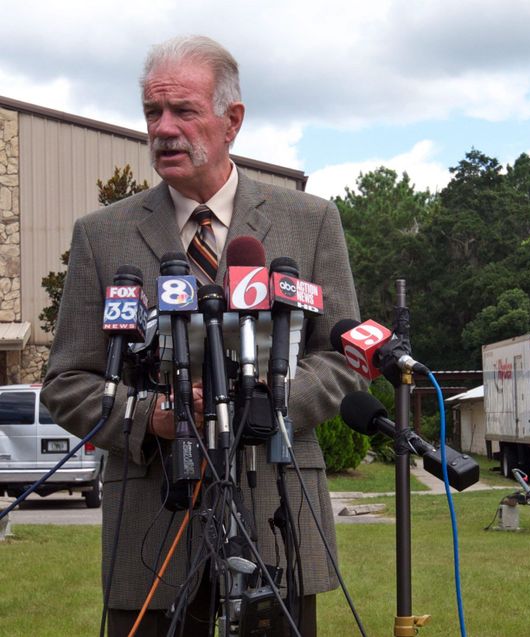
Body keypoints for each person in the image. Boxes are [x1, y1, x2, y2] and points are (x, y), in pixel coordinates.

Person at [41, 35, 362, 636]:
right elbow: (65, 383)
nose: (163, 129)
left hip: (278, 510)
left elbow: (341, 357)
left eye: (182, 112)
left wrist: (265, 400)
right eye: (151, 113)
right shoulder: (101, 236)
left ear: (231, 120)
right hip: (153, 521)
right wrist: (152, 416)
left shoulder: (310, 222)